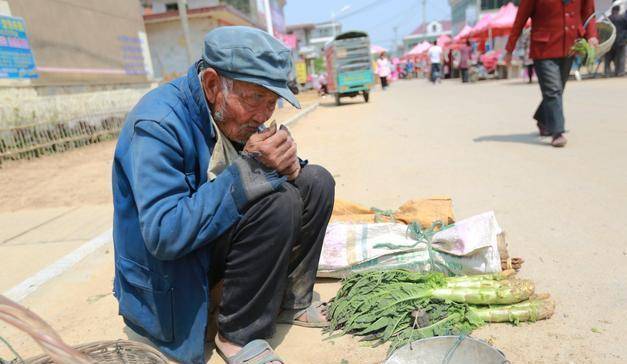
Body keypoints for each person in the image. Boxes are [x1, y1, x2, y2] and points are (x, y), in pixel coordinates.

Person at [111, 26, 335, 364]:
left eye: (272, 102)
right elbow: (164, 235)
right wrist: (253, 171)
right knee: (278, 203)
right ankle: (236, 335)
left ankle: (292, 299)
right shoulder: (159, 123)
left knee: (315, 181)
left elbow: (266, 168)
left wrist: (288, 165)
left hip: (208, 240)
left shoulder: (234, 113)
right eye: (255, 98)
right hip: (172, 272)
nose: (263, 115)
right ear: (213, 84)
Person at [505, 0, 598, 148]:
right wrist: (510, 49)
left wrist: (592, 35)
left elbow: (589, 13)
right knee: (553, 90)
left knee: (558, 88)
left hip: (570, 45)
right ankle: (557, 132)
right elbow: (520, 19)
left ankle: (543, 120)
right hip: (544, 48)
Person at [605, 6, 627, 77]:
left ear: (612, 10)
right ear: (619, 10)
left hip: (610, 41)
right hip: (621, 41)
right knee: (620, 58)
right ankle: (620, 72)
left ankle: (607, 73)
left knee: (608, 59)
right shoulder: (623, 18)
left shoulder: (608, 18)